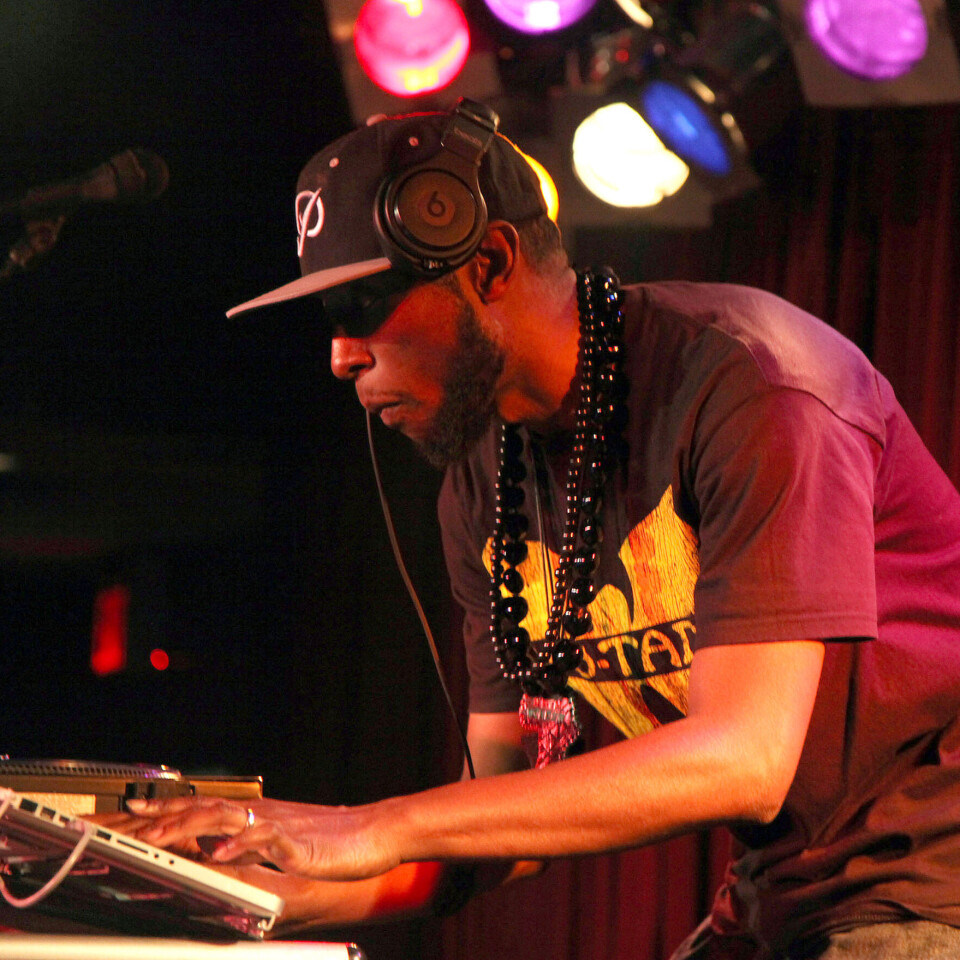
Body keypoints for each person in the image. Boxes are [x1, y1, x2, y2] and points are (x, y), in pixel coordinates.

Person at [121, 99, 960, 959]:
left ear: (488, 262)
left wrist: (371, 824)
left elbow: (743, 758)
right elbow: (500, 815)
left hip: (933, 883)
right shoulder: (485, 487)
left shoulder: (756, 388)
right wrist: (262, 898)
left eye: (363, 303)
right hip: (784, 902)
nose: (341, 355)